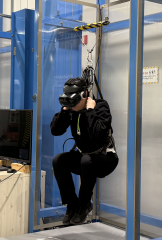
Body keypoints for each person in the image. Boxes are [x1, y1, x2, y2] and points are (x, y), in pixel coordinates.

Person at [50, 76, 118, 225]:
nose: (72, 105)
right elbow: (55, 130)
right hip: (84, 159)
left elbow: (96, 134)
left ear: (85, 95)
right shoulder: (72, 111)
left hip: (105, 159)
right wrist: (64, 111)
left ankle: (84, 205)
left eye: (74, 100)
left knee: (87, 161)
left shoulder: (101, 106)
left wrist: (90, 111)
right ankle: (72, 205)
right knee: (59, 160)